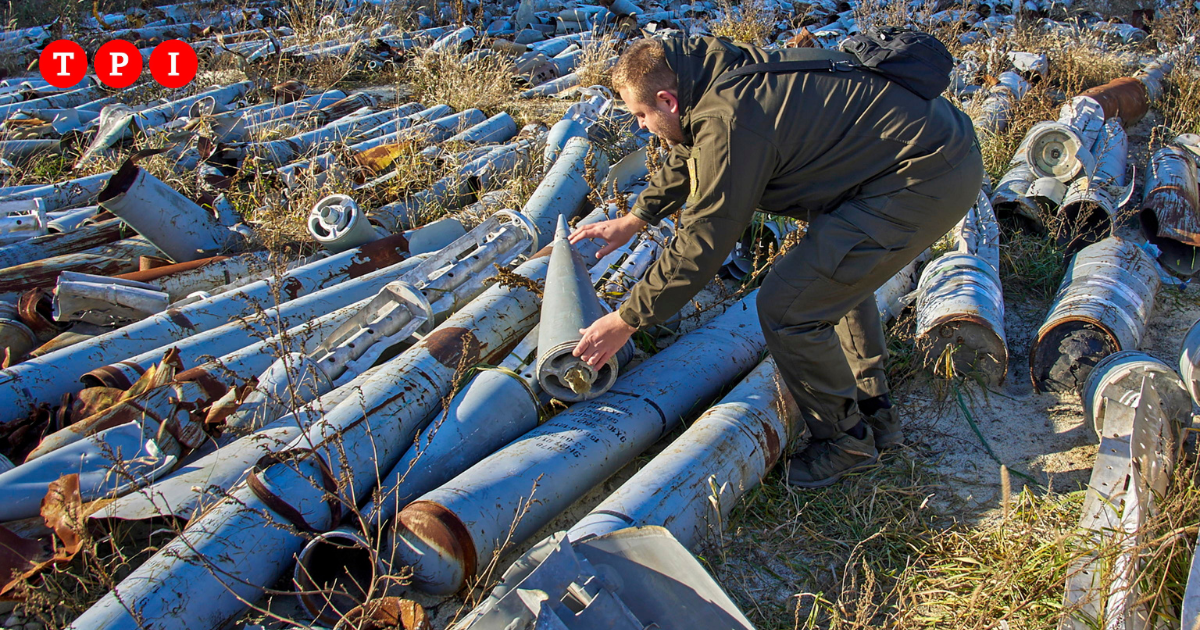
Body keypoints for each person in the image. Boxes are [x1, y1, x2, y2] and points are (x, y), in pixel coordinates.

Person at [568, 34, 984, 488]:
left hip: (922, 177)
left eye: (642, 116)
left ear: (667, 100)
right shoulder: (708, 76)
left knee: (790, 306)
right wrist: (636, 217)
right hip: (912, 159)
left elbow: (705, 238)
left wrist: (628, 319)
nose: (643, 127)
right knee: (829, 283)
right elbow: (691, 150)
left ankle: (845, 443)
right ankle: (872, 410)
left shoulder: (729, 118)